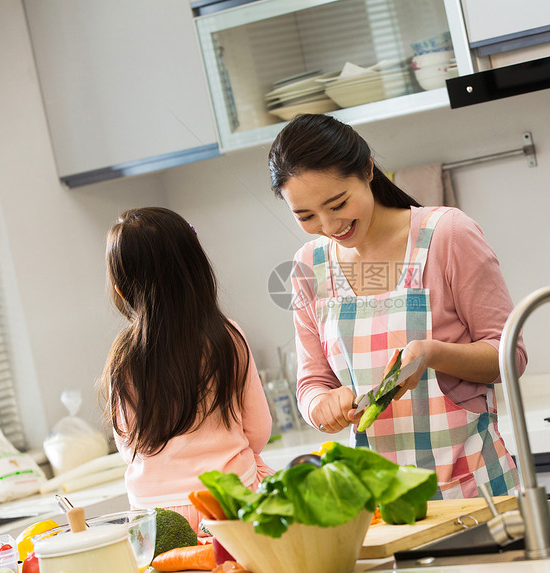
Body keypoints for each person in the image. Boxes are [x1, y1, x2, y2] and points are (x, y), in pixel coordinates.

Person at [268, 114, 527, 499]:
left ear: (368, 170)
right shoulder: (308, 267)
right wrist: (322, 406)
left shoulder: (446, 235)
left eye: (337, 203)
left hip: (476, 491)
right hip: (380, 505)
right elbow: (312, 383)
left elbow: (509, 356)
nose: (329, 224)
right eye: (305, 216)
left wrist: (431, 353)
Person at [99, 207, 273, 533]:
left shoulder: (123, 358)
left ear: (121, 290)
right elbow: (258, 430)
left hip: (155, 516)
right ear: (196, 269)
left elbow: (128, 447)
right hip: (227, 501)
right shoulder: (227, 337)